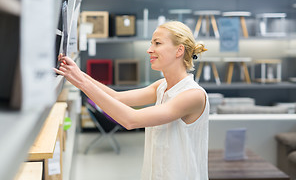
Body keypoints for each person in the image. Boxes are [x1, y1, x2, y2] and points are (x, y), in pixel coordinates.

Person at [54, 21, 209, 180]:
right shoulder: (162, 86)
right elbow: (117, 98)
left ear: (179, 50)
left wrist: (81, 82)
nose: (149, 50)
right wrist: (77, 74)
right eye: (151, 43)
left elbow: (131, 120)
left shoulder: (192, 94)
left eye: (157, 43)